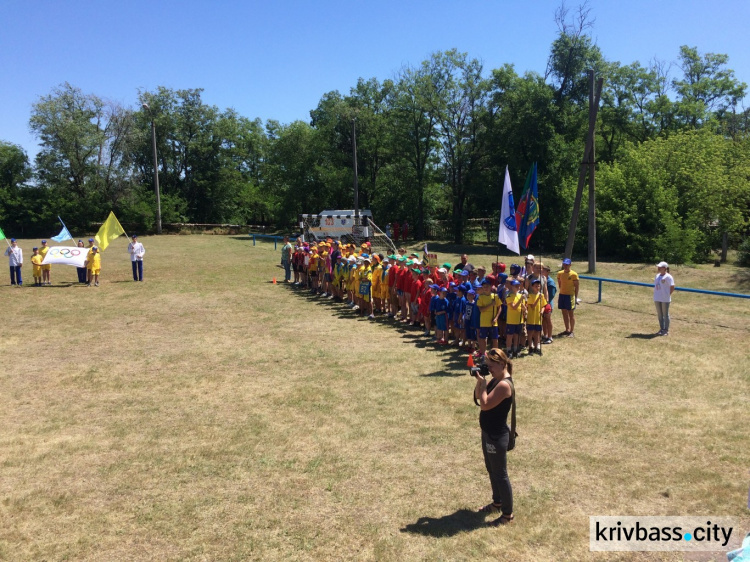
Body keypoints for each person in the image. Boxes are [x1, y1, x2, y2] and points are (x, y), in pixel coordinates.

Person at [474, 348, 514, 526]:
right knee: (491, 470)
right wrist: (480, 382)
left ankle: (507, 515)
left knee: (500, 474)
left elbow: (485, 404)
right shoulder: (495, 379)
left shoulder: (504, 385)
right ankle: (497, 502)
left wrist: (483, 384)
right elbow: (478, 396)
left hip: (497, 437)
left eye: (490, 366)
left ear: (502, 364)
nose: (487, 369)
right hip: (488, 433)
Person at [557, 258, 579, 338]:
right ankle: (567, 329)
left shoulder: (574, 274)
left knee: (571, 313)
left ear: (570, 265)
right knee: (564, 313)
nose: (565, 266)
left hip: (570, 296)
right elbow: (559, 283)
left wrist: (575, 297)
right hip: (562, 295)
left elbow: (577, 286)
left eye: (567, 264)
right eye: (564, 264)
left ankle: (572, 331)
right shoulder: (560, 273)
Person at [653, 261, 675, 336]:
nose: (658, 268)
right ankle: (661, 328)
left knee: (665, 314)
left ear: (664, 268)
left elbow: (672, 287)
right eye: (658, 267)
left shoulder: (668, 277)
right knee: (659, 314)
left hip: (665, 299)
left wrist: (667, 295)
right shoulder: (657, 276)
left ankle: (666, 329)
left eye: (660, 267)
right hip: (657, 297)